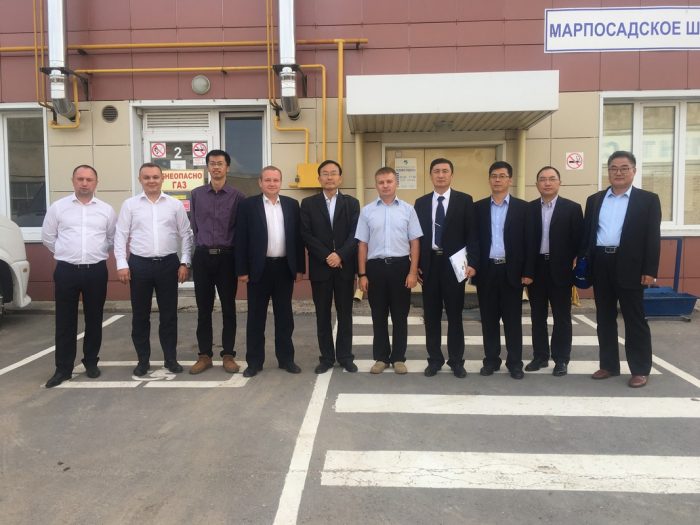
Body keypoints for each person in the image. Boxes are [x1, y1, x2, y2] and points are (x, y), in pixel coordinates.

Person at [581, 151, 661, 388]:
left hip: (631, 266)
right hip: (601, 263)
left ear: (634, 171)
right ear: (608, 172)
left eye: (624, 168)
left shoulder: (647, 200)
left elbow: (652, 238)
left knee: (634, 318)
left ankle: (640, 369)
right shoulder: (595, 200)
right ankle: (608, 365)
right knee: (604, 317)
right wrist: (583, 259)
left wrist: (650, 270)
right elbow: (588, 234)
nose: (618, 172)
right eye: (614, 168)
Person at [114, 162, 193, 377]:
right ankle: (143, 361)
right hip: (139, 265)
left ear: (162, 179)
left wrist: (185, 262)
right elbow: (120, 235)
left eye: (155, 177)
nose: (151, 181)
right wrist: (121, 264)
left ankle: (170, 359)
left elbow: (186, 234)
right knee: (140, 316)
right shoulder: (130, 205)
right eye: (147, 177)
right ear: (140, 180)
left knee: (169, 316)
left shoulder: (174, 205)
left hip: (168, 264)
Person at [41, 165, 116, 388]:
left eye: (89, 179)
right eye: (80, 179)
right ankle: (63, 368)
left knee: (94, 318)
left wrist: (93, 253)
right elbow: (48, 237)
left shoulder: (106, 210)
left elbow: (111, 239)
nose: (84, 183)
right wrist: (66, 253)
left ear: (96, 182)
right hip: (67, 270)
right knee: (65, 321)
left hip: (96, 270)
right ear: (73, 181)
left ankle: (91, 362)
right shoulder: (58, 208)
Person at [235, 166, 305, 377]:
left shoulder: (292, 205)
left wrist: (300, 268)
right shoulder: (248, 205)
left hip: (284, 268)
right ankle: (254, 362)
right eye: (268, 180)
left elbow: (298, 239)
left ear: (280, 182)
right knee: (256, 318)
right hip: (259, 269)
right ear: (260, 182)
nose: (272, 183)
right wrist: (242, 270)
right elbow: (241, 239)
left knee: (285, 318)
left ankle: (286, 359)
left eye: (275, 180)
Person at [414, 158, 478, 378]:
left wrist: (473, 263)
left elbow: (472, 235)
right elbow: (416, 237)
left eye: (444, 171)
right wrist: (417, 265)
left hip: (455, 265)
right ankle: (434, 360)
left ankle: (456, 361)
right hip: (430, 264)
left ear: (451, 175)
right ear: (430, 175)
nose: (440, 175)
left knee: (454, 315)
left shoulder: (464, 200)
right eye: (436, 171)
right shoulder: (421, 203)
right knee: (431, 317)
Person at [355, 166, 423, 375]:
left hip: (401, 267)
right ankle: (381, 358)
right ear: (376, 185)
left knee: (400, 315)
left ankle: (399, 358)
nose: (385, 185)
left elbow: (415, 243)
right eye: (381, 182)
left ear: (396, 183)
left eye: (389, 181)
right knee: (378, 315)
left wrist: (412, 272)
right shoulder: (367, 211)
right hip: (375, 268)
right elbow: (362, 245)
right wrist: (362, 274)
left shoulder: (408, 210)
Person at [473, 160, 535, 379]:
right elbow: (474, 241)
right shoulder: (478, 208)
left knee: (512, 320)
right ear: (489, 180)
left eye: (502, 176)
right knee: (488, 320)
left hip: (512, 272)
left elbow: (530, 242)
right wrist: (472, 266)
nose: (497, 180)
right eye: (494, 176)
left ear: (510, 180)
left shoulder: (523, 208)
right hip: (487, 271)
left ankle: (515, 362)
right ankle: (491, 360)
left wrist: (528, 272)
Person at [188, 149, 245, 375]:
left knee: (228, 308)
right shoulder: (196, 194)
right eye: (212, 163)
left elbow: (240, 230)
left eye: (220, 163)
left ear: (227, 167)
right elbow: (194, 227)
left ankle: (228, 354)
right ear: (207, 167)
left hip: (227, 258)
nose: (216, 167)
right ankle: (204, 355)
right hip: (203, 256)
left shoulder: (238, 196)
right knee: (203, 309)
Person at [300, 160, 360, 374]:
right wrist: (327, 256)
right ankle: (326, 358)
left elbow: (355, 234)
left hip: (344, 267)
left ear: (340, 178)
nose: (329, 177)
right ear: (319, 178)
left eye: (334, 173)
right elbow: (306, 234)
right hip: (321, 267)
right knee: (322, 315)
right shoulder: (308, 204)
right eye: (325, 173)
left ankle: (345, 357)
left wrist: (340, 255)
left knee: (345, 314)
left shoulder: (351, 203)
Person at [525, 166, 583, 377]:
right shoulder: (529, 209)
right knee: (537, 315)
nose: (547, 183)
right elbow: (524, 242)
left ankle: (561, 359)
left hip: (561, 269)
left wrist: (575, 263)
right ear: (537, 184)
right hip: (536, 269)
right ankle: (540, 356)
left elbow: (579, 241)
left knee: (562, 316)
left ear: (559, 182)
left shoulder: (572, 208)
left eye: (551, 179)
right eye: (543, 179)